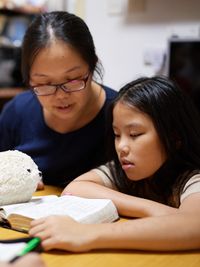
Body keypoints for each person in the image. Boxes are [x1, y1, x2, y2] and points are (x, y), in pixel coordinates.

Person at [29, 76, 200, 252]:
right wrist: (153, 210)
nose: (122, 147)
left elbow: (194, 226)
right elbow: (76, 189)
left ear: (174, 138)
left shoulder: (192, 178)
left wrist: (87, 234)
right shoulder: (124, 168)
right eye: (117, 135)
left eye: (135, 134)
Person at [0, 11, 117, 187]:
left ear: (92, 66)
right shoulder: (16, 113)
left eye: (72, 80)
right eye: (44, 83)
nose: (61, 95)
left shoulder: (119, 113)